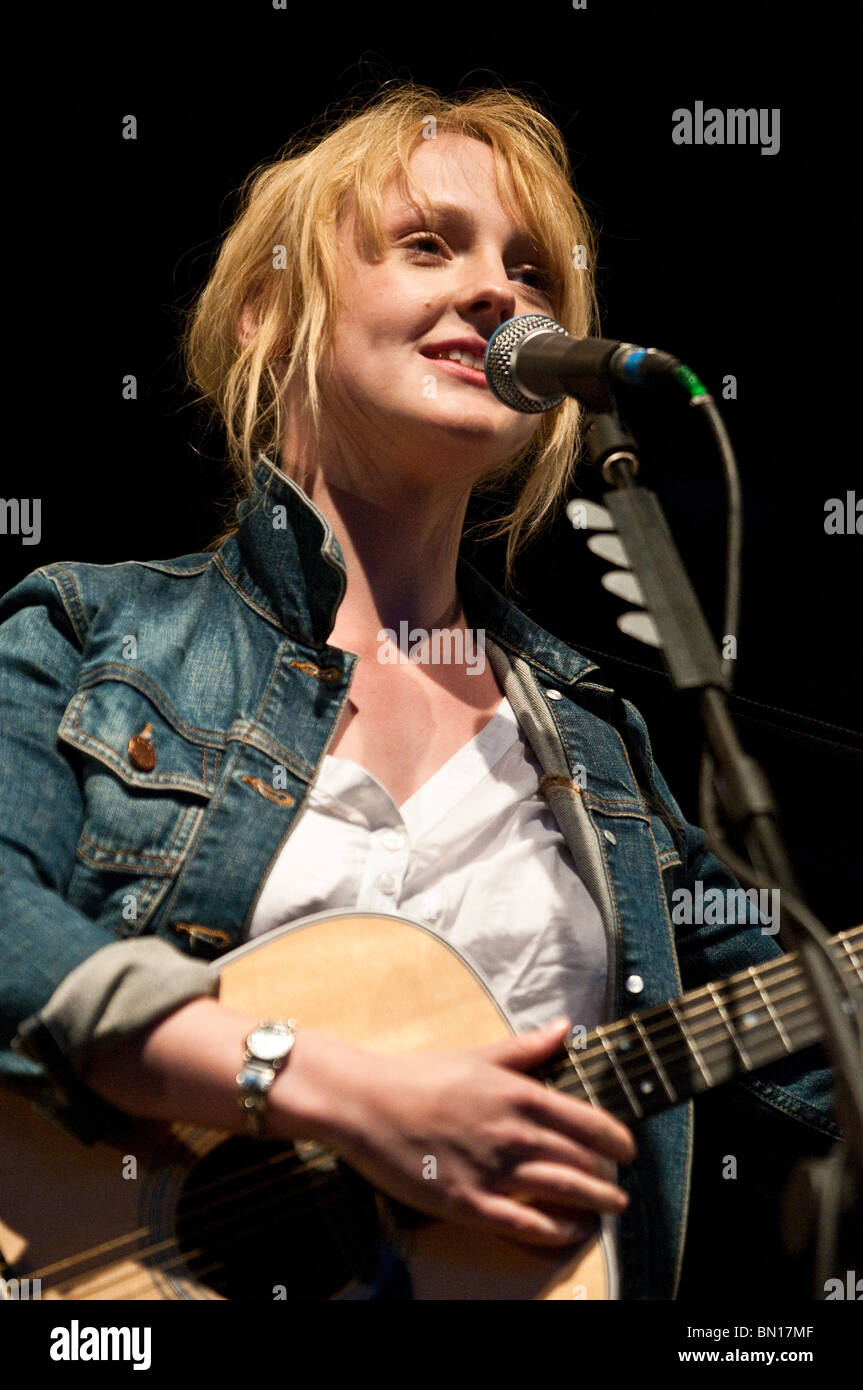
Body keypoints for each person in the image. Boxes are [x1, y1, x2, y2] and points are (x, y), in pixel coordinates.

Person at [0, 84, 839, 1301]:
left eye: (532, 270)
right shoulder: (91, 630)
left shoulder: (600, 750)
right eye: (428, 244)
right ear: (266, 314)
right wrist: (332, 1092)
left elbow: (815, 1027)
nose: (501, 293)